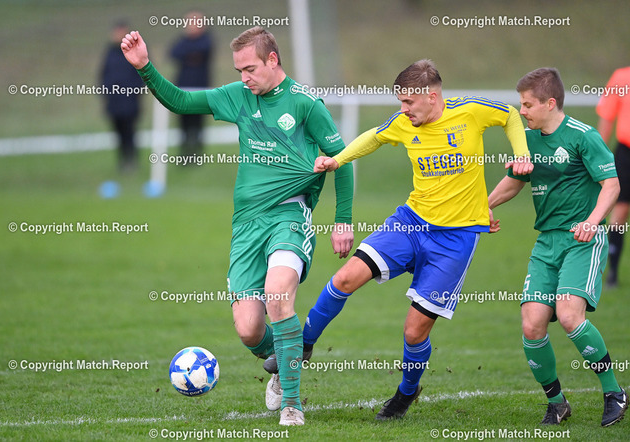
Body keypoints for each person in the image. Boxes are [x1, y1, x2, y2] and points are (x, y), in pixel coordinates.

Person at [121, 26, 354, 426]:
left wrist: (343, 222)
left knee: (277, 297)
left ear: (272, 60)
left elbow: (342, 159)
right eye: (239, 71)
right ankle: (283, 356)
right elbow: (180, 101)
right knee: (248, 330)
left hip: (288, 215)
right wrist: (144, 66)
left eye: (250, 69)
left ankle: (292, 405)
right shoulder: (238, 96)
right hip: (246, 225)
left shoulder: (305, 104)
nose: (244, 78)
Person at [298, 59, 533, 421]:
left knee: (413, 332)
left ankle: (407, 392)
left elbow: (511, 116)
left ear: (432, 97)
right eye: (401, 101)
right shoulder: (404, 123)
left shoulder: (470, 112)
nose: (403, 109)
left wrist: (522, 154)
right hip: (410, 223)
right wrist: (337, 160)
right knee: (345, 278)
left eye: (408, 102)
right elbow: (374, 137)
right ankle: (301, 346)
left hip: (455, 240)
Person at [488, 67, 627, 427]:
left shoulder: (583, 136)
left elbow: (611, 185)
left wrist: (592, 222)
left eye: (527, 105)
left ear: (550, 103)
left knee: (568, 316)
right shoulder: (527, 140)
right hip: (546, 242)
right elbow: (514, 181)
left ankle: (614, 392)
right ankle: (557, 403)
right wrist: (483, 208)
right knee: (532, 325)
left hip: (582, 240)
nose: (522, 111)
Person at [596, 66, 630, 288]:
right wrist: (597, 159)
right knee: (620, 211)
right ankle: (612, 274)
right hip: (626, 153)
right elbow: (607, 118)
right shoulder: (621, 77)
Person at [100, 20, 145, 172]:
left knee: (130, 133)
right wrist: (106, 92)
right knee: (118, 134)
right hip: (114, 103)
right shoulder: (110, 52)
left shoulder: (135, 51)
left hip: (130, 102)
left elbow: (143, 75)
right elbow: (104, 74)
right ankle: (122, 162)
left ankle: (132, 161)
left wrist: (132, 91)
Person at [169, 10, 214, 157]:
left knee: (197, 123)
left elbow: (203, 51)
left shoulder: (206, 40)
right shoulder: (183, 41)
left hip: (200, 89)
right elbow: (173, 53)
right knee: (184, 123)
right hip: (183, 88)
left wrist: (189, 54)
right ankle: (185, 153)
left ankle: (196, 153)